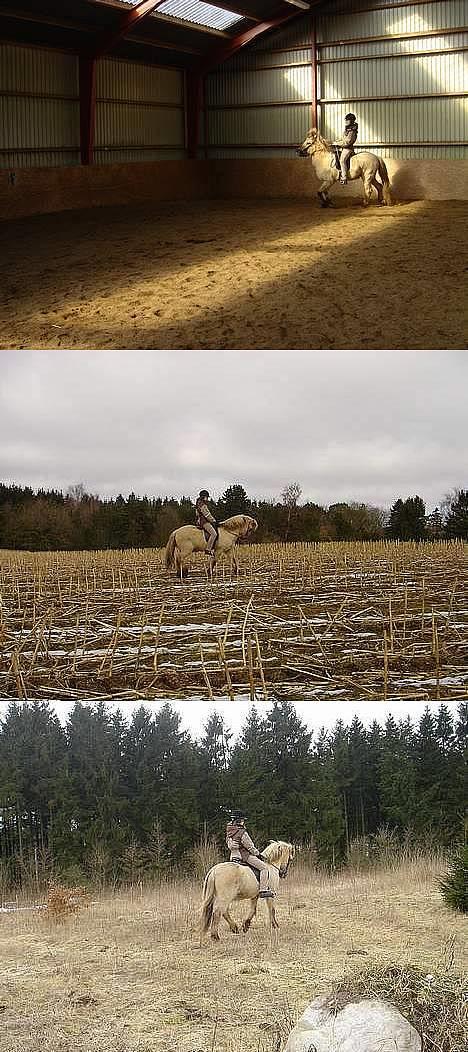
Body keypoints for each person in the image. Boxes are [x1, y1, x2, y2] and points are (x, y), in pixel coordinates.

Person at [226, 809, 274, 898]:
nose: (244, 822)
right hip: (244, 856)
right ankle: (263, 890)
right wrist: (258, 854)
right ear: (239, 821)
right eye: (243, 820)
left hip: (233, 856)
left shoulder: (229, 831)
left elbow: (229, 844)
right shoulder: (242, 832)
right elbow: (250, 846)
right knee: (264, 868)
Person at [334, 112, 358, 184]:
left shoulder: (352, 131)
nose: (346, 121)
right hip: (344, 148)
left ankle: (344, 177)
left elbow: (347, 142)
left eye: (347, 120)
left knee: (342, 160)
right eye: (346, 120)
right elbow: (343, 139)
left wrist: (337, 144)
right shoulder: (347, 130)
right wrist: (335, 142)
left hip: (348, 149)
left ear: (351, 121)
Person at [195, 489, 218, 558]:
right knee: (214, 534)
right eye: (207, 497)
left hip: (201, 521)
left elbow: (197, 513)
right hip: (204, 522)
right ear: (203, 497)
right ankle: (208, 549)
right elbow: (207, 514)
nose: (207, 499)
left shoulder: (198, 503)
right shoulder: (202, 504)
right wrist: (214, 521)